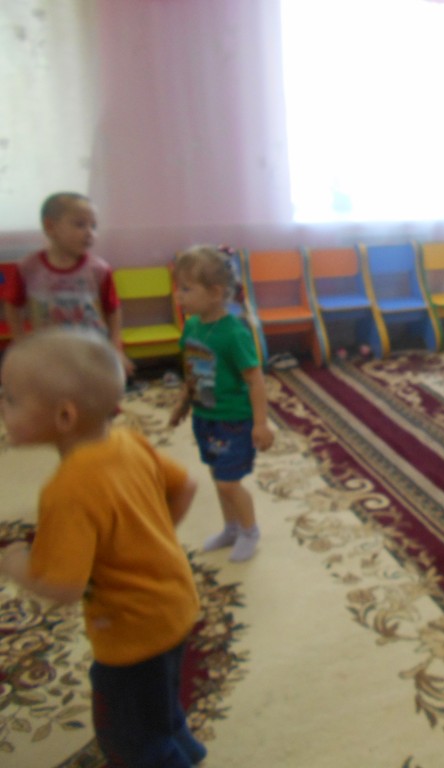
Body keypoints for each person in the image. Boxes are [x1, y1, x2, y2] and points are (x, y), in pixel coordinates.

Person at [0, 328, 206, 767]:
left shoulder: (67, 490)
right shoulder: (129, 441)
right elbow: (186, 485)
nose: (3, 407)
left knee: (131, 739)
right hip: (175, 603)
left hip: (131, 633)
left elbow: (63, 586)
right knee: (161, 700)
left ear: (64, 417)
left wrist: (15, 563)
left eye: (11, 399)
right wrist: (155, 533)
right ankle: (185, 746)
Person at [169, 245, 274, 562]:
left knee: (229, 483)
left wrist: (260, 423)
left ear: (215, 293)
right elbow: (193, 370)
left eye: (186, 289)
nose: (178, 295)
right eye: (178, 288)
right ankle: (231, 528)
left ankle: (249, 531)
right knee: (218, 477)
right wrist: (184, 403)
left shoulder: (233, 334)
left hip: (233, 420)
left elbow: (255, 380)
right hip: (206, 417)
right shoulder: (192, 326)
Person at [2, 191, 134, 375]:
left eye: (93, 226)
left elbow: (113, 309)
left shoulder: (99, 269)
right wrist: (20, 340)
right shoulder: (28, 268)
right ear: (50, 226)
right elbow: (12, 304)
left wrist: (115, 347)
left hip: (92, 351)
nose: (90, 233)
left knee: (94, 389)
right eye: (80, 224)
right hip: (49, 352)